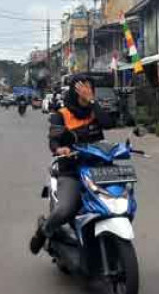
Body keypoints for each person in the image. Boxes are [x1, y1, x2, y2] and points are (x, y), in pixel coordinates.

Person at [30, 75, 113, 254]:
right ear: (75, 91)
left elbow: (109, 123)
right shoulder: (62, 115)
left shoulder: (95, 111)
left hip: (98, 170)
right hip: (72, 170)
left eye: (90, 89)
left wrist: (92, 101)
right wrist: (60, 149)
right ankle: (44, 230)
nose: (87, 92)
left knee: (116, 202)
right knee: (65, 209)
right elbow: (54, 141)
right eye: (82, 89)